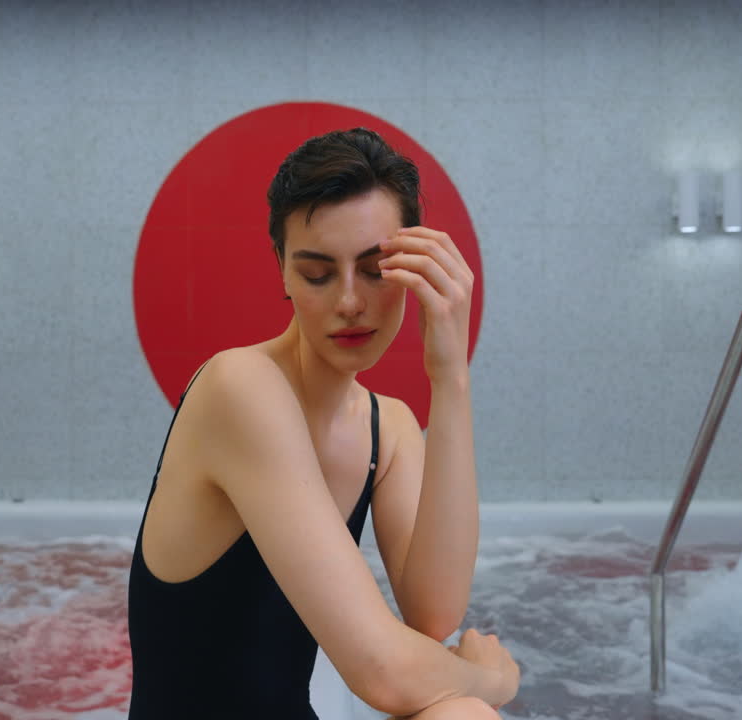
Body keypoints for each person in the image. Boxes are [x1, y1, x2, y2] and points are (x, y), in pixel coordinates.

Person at [127, 128, 521, 719]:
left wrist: (451, 378)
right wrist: (491, 680)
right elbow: (381, 673)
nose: (349, 302)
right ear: (283, 271)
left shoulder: (387, 430)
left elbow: (434, 613)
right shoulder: (240, 387)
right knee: (468, 710)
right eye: (317, 274)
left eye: (374, 270)